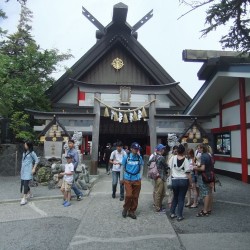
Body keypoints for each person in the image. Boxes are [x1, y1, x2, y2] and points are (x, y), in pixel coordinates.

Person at [120, 142, 144, 219]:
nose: (136, 150)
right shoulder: (126, 157)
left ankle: (132, 211)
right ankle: (126, 208)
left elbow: (141, 167)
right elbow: (122, 167)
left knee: (135, 196)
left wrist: (140, 176)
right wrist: (121, 178)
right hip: (127, 178)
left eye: (137, 149)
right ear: (131, 149)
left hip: (136, 179)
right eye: (135, 149)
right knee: (129, 195)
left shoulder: (139, 158)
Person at [169, 144, 192, 221]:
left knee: (175, 196)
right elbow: (188, 173)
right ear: (184, 151)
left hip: (175, 180)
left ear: (177, 151)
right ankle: (179, 215)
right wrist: (190, 183)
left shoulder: (173, 158)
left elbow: (169, 167)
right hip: (183, 180)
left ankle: (172, 213)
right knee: (181, 198)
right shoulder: (186, 160)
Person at [193, 144, 214, 217]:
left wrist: (194, 168)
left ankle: (205, 211)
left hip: (203, 176)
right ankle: (208, 209)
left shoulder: (203, 156)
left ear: (202, 149)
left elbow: (202, 168)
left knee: (205, 193)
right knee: (208, 192)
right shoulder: (208, 155)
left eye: (199, 148)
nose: (198, 150)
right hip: (209, 176)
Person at [147, 144, 169, 212]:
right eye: (163, 149)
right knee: (159, 193)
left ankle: (157, 205)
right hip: (161, 177)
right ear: (161, 150)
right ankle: (158, 207)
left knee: (158, 191)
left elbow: (148, 163)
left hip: (156, 176)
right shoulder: (161, 158)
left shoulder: (154, 157)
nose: (164, 150)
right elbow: (166, 166)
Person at [20, 141, 39, 205]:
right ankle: (30, 193)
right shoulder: (24, 152)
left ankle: (24, 198)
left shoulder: (32, 153)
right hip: (23, 170)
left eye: (25, 145)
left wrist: (34, 168)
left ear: (28, 146)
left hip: (28, 170)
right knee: (23, 183)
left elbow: (37, 160)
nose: (24, 146)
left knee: (25, 183)